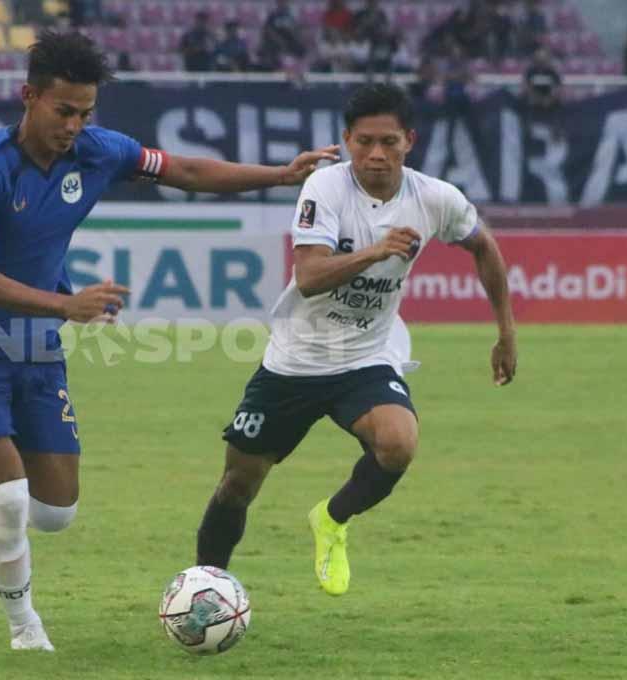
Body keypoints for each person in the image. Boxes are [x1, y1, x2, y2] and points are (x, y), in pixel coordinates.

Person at [0, 30, 338, 652]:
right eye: (62, 110)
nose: (74, 125)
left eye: (84, 113)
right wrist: (66, 304)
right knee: (13, 500)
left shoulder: (99, 151)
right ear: (29, 96)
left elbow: (182, 169)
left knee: (55, 510)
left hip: (35, 342)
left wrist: (278, 175)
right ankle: (26, 631)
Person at [194, 83, 517, 597]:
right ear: (346, 140)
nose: (376, 154)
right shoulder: (325, 189)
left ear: (409, 141)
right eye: (364, 141)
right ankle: (204, 589)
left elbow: (484, 246)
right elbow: (310, 276)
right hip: (296, 360)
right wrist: (376, 251)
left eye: (389, 142)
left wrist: (505, 332)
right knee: (239, 482)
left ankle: (331, 519)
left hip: (367, 356)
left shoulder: (434, 197)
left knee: (398, 444)